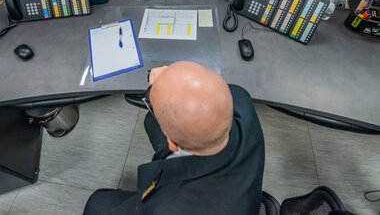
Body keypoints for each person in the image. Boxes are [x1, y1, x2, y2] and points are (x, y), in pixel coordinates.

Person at [83, 61, 265, 215]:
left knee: (97, 203)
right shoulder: (242, 102)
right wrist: (171, 77)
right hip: (232, 177)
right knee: (151, 122)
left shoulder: (167, 207)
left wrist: (162, 84)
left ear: (172, 143)